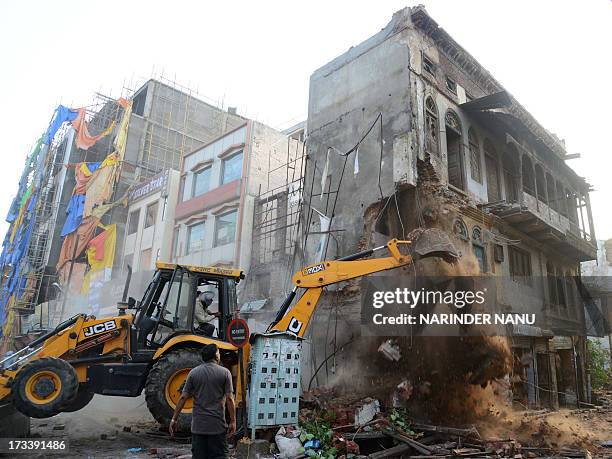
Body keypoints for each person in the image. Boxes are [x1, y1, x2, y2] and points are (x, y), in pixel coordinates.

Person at [170, 344, 236, 459]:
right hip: (217, 427)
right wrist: (233, 421)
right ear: (216, 355)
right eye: (219, 352)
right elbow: (230, 399)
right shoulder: (225, 373)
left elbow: (183, 397)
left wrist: (174, 419)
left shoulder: (193, 373)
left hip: (198, 428)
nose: (220, 354)